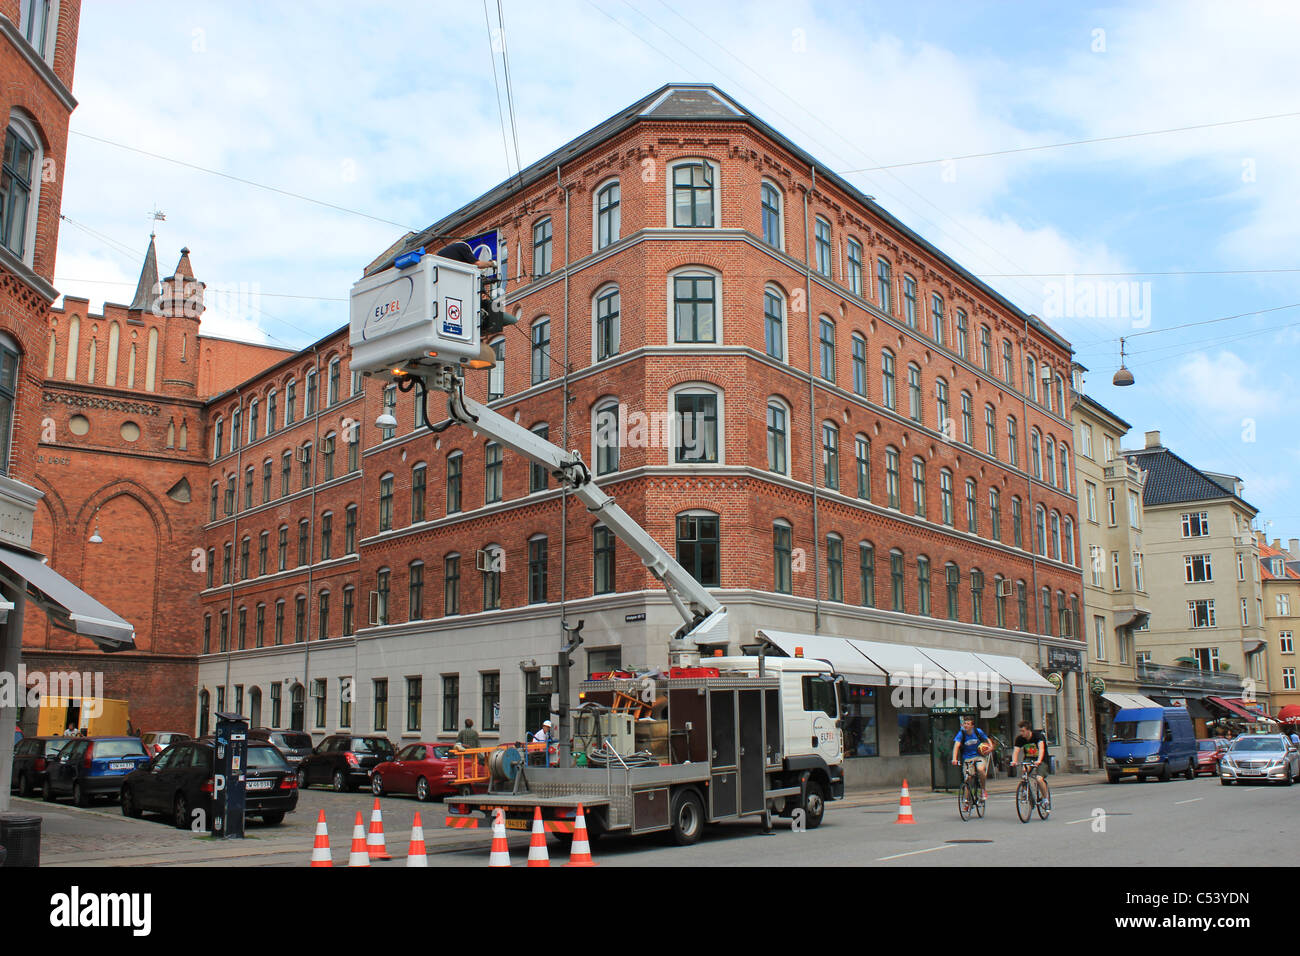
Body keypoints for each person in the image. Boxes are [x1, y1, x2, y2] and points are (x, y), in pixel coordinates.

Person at [950, 715, 991, 802]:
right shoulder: (961, 733)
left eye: (968, 724)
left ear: (972, 726)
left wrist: (990, 747)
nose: (966, 725)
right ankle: (966, 800)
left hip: (979, 756)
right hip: (967, 758)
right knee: (967, 778)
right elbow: (956, 746)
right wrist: (954, 758)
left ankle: (983, 790)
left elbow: (987, 739)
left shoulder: (977, 731)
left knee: (980, 769)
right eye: (965, 723)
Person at [1011, 721, 1050, 804]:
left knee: (1039, 779)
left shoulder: (1038, 736)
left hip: (1042, 759)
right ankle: (1025, 791)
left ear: (1028, 730)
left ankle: (1045, 798)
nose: (1021, 733)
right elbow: (1016, 751)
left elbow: (1042, 749)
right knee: (1024, 771)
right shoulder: (1020, 739)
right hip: (1029, 758)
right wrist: (1014, 761)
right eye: (1020, 731)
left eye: (1023, 731)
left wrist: (1039, 760)